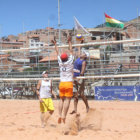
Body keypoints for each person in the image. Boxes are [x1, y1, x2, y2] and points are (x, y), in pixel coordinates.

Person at [51, 36, 74, 124]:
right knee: (67, 100)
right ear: (67, 58)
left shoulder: (60, 63)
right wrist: (69, 42)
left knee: (61, 100)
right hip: (68, 83)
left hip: (62, 83)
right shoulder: (70, 61)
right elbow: (71, 51)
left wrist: (55, 44)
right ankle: (64, 115)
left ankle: (60, 114)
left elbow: (57, 52)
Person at [70, 39, 89, 114]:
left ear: (85, 56)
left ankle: (87, 106)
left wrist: (78, 79)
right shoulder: (78, 58)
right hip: (74, 77)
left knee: (81, 94)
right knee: (75, 95)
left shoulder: (83, 62)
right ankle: (75, 110)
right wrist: (80, 43)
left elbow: (82, 72)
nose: (82, 53)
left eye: (83, 53)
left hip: (80, 78)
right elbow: (79, 49)